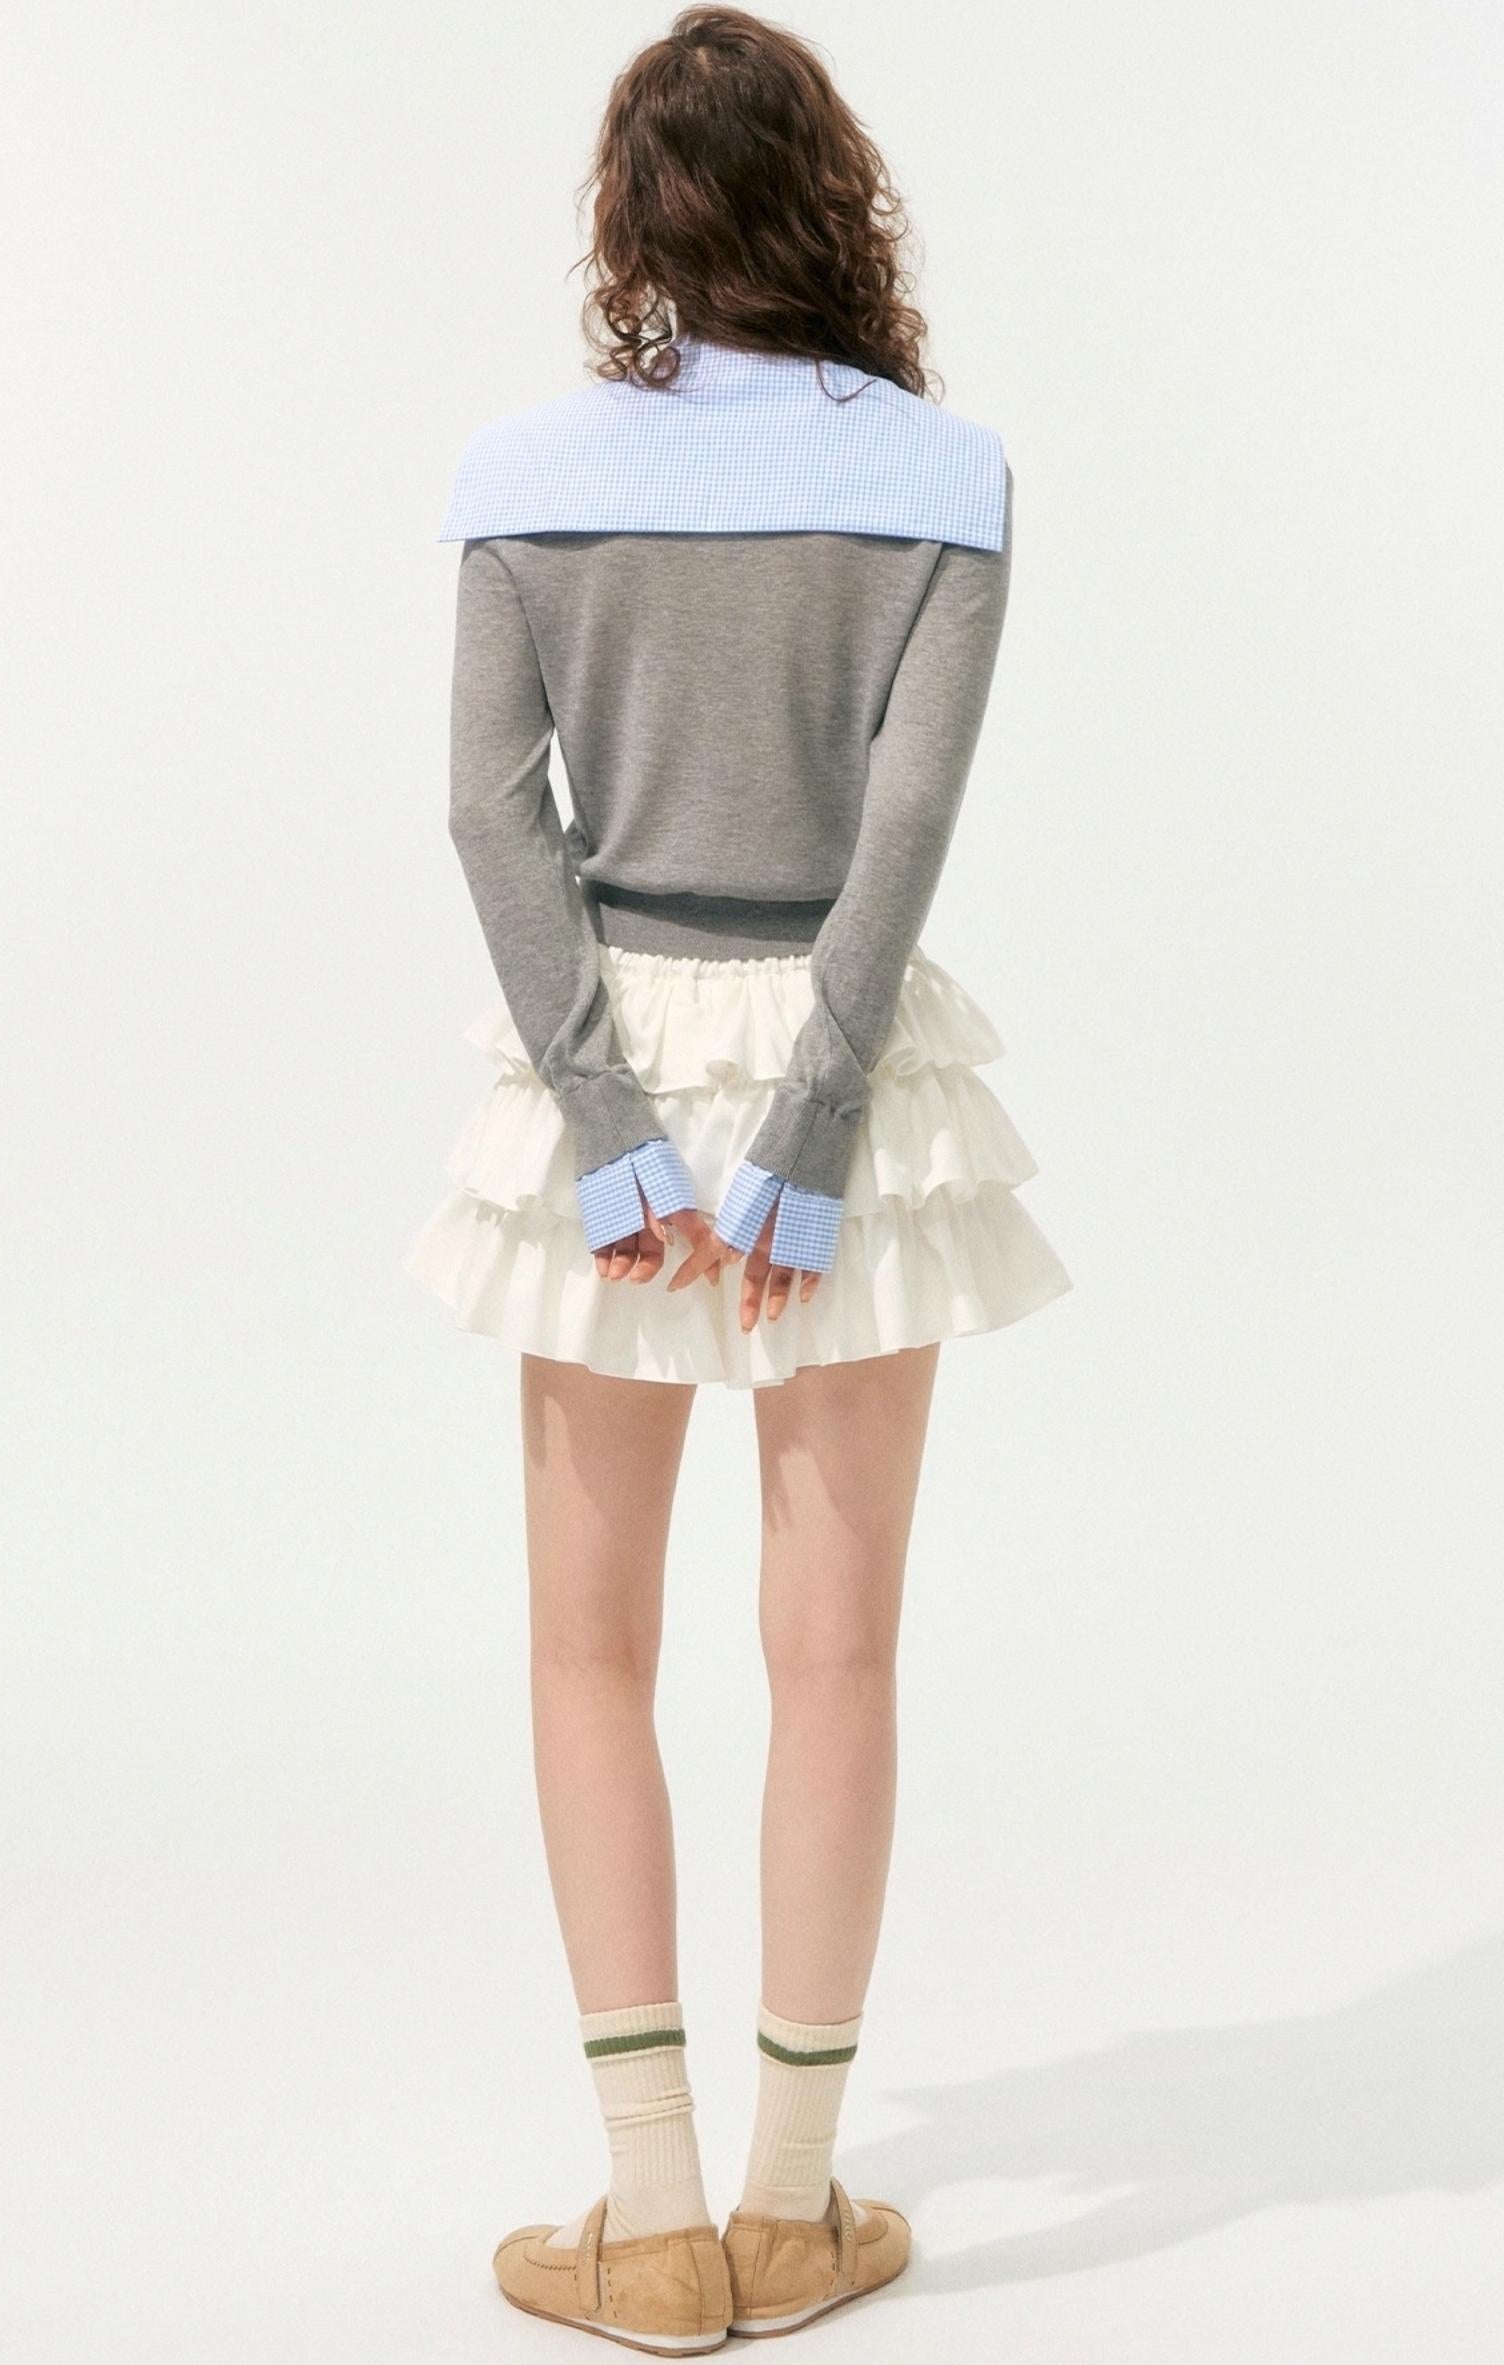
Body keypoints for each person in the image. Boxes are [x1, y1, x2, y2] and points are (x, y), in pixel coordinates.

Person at [408, 7, 1071, 2348]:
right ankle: (795, 2210)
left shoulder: (519, 471)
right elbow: (909, 819)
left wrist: (609, 1130)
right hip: (845, 1065)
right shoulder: (950, 477)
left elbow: (488, 811)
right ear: (833, 197)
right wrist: (802, 1130)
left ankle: (652, 2219)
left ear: (632, 221)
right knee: (835, 1645)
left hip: (603, 1042)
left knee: (587, 1643)